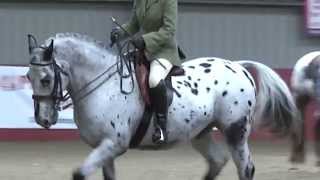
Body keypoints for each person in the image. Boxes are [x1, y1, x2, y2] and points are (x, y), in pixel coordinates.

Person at [110, 0, 181, 145]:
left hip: (164, 50)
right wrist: (119, 32)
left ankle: (161, 127)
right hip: (145, 50)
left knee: (154, 79)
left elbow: (169, 30)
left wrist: (145, 40)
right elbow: (133, 25)